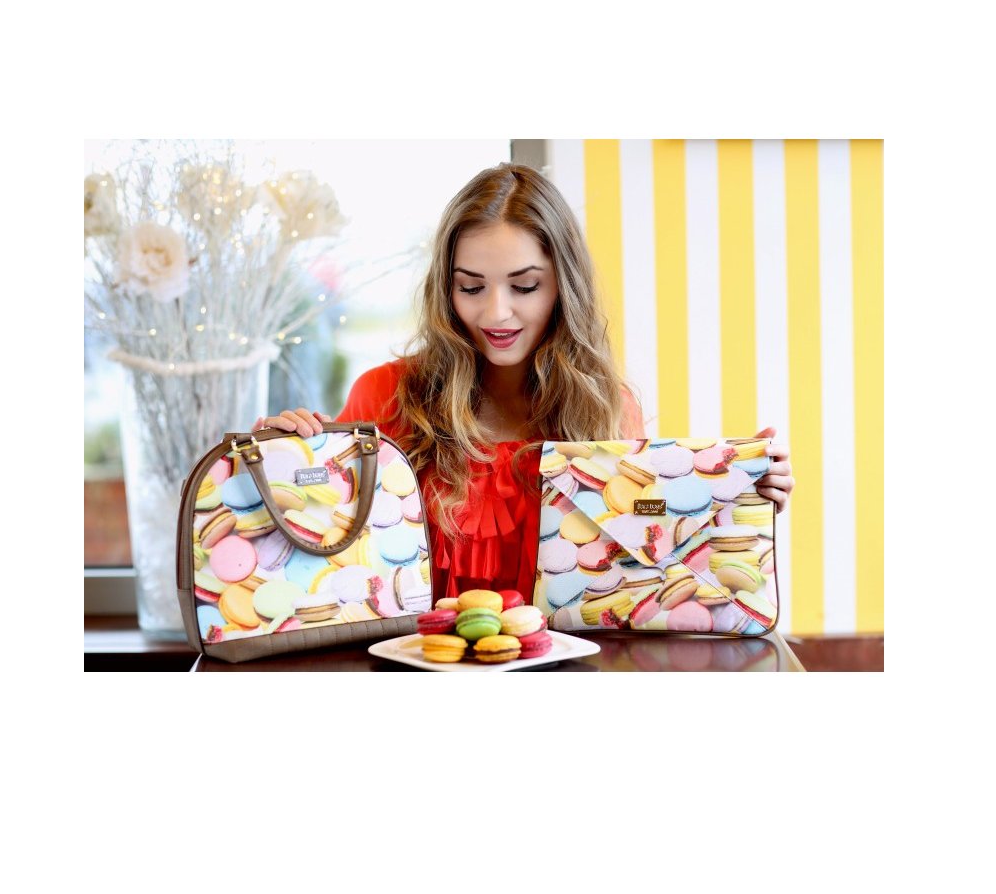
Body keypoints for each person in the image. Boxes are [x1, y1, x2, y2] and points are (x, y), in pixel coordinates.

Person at [255, 162, 795, 601]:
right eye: (471, 288)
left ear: (563, 286)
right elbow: (329, 560)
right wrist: (284, 467)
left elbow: (639, 567)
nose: (497, 313)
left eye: (525, 286)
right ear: (446, 288)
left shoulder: (606, 407)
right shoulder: (385, 396)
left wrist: (736, 496)